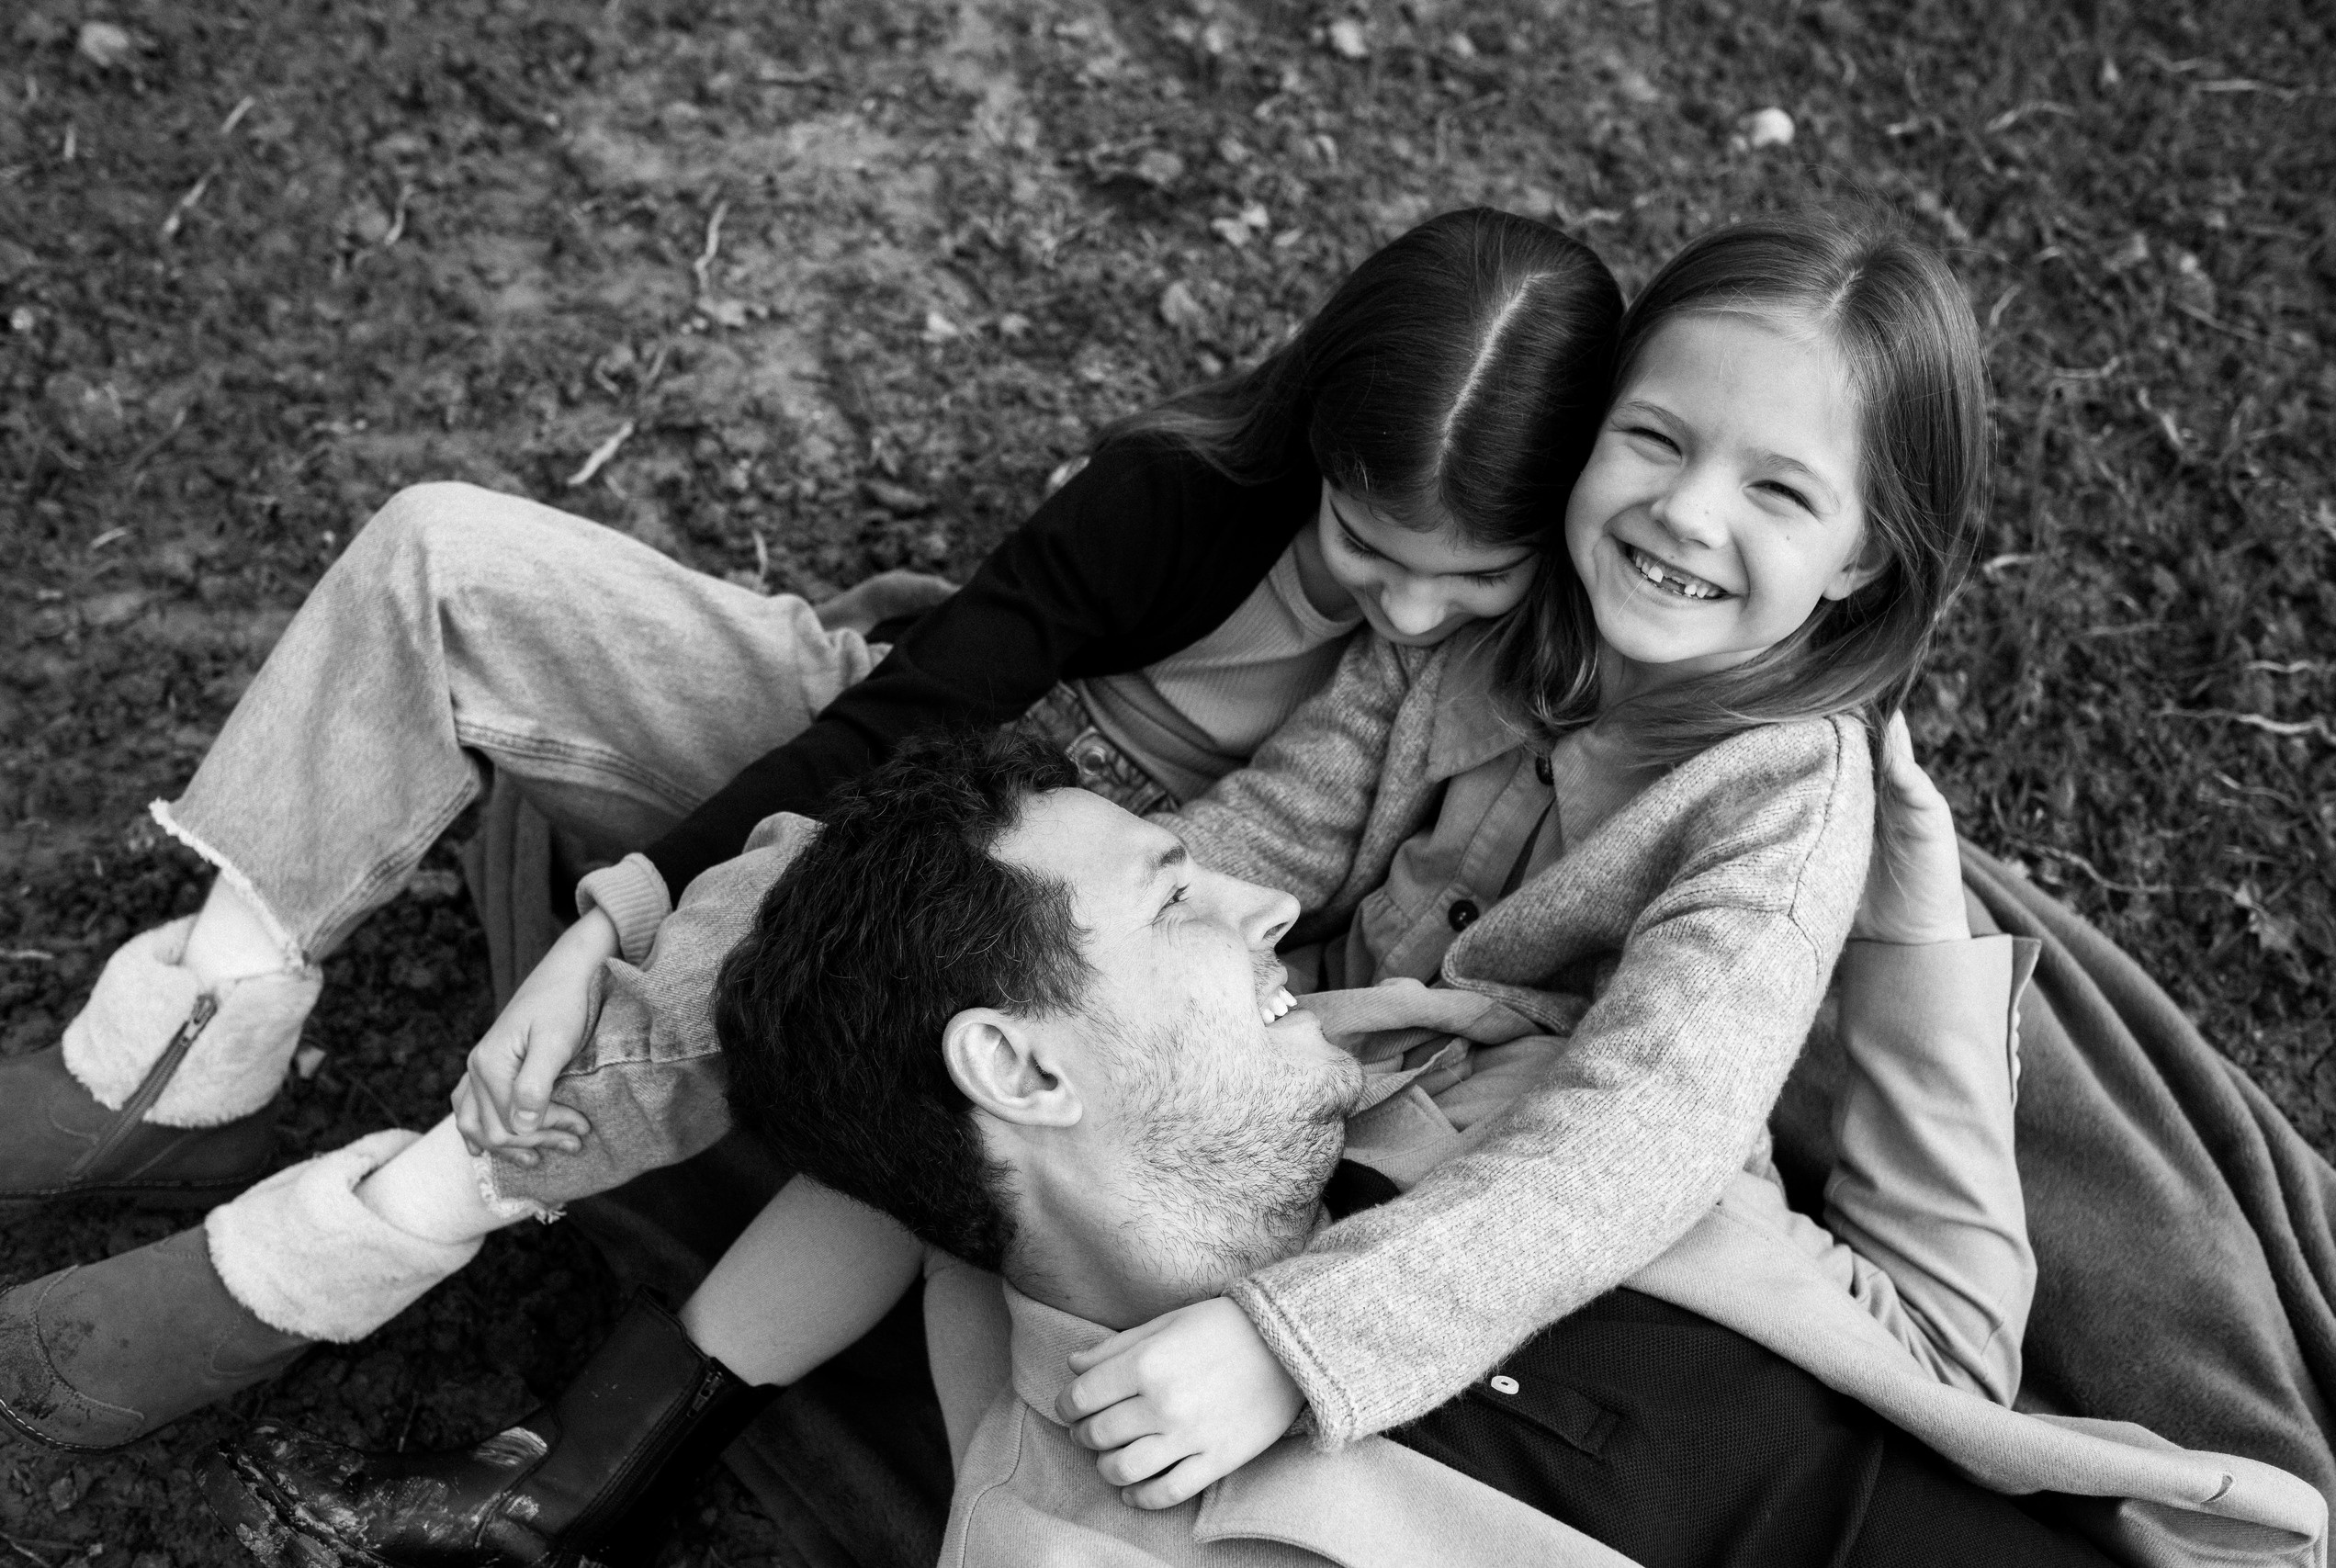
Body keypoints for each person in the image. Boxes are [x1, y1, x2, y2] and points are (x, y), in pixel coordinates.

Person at [181, 206, 1998, 1558]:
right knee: (995, 1034)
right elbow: (1262, 830)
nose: (1687, 513)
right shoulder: (1481, 635)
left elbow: (1645, 1125)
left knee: (1048, 1183)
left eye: (1780, 493)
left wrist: (1293, 1345)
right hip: (1306, 1053)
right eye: (1658, 441)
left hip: (1459, 1178)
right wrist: (1095, 944)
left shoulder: (1776, 801)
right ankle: (594, 1454)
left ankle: (615, 1450)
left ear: (1864, 563)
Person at [0, 208, 1619, 1442]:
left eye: (1470, 575)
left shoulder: (1535, 657)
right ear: (1319, 443)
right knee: (446, 553)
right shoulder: (1180, 494)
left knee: (837, 931)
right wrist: (615, 910)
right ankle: (194, 1051)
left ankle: (334, 1254)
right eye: (1367, 542)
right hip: (940, 737)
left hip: (1085, 897)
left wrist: (644, 923)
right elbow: (905, 723)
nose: (1414, 608)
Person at [206, 732, 2325, 1567]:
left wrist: (1921, 934)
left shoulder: (1482, 1120)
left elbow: (1933, 1347)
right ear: (1019, 1066)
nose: (1258, 899)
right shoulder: (1099, 1545)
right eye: (1167, 894)